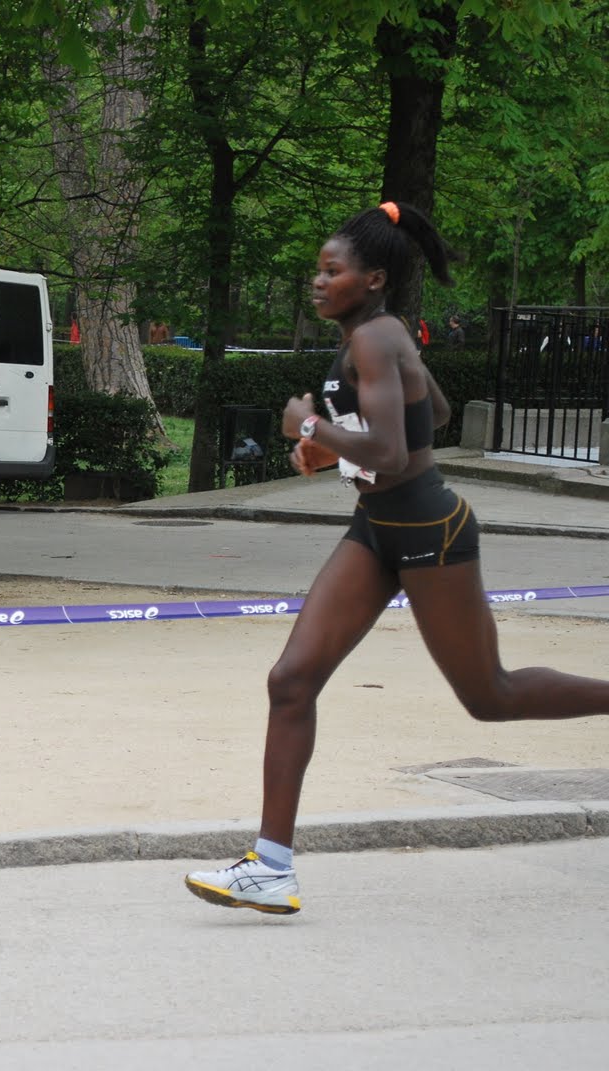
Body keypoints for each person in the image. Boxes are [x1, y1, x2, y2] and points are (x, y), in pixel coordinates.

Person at [183, 200, 609, 915]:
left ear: (373, 277)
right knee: (292, 679)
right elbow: (434, 414)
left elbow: (392, 451)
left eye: (332, 270)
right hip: (377, 529)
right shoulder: (375, 335)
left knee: (490, 696)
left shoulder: (377, 337)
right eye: (317, 270)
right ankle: (271, 866)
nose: (317, 282)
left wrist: (311, 424)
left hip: (429, 531)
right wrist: (333, 441)